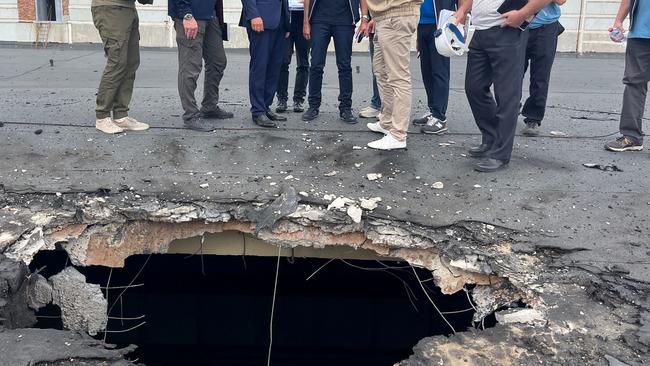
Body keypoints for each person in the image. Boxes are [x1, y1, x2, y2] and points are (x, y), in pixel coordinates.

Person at [455, 0, 552, 172]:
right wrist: (463, 10)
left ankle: (500, 154)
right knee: (474, 87)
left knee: (507, 95)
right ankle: (492, 137)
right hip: (481, 31)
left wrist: (522, 14)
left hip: (507, 30)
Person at [364, 0, 421, 150]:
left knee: (398, 77)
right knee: (381, 71)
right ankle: (387, 122)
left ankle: (398, 135)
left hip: (397, 14)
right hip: (383, 16)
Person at [169, 0, 233, 132]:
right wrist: (187, 14)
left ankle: (209, 106)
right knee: (190, 67)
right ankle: (190, 115)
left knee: (218, 61)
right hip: (191, 15)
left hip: (210, 14)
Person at [302, 0, 369, 124]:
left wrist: (365, 19)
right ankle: (313, 106)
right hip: (319, 19)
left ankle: (345, 108)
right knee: (316, 65)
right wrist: (306, 22)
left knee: (344, 66)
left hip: (345, 21)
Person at [91, 0, 151, 134]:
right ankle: (102, 116)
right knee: (117, 62)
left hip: (127, 8)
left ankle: (120, 115)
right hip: (111, 8)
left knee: (131, 62)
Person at [605, 0, 649, 152]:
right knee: (633, 83)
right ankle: (631, 136)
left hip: (640, 33)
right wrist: (618, 21)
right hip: (640, 33)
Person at [240, 0, 290, 128]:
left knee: (274, 68)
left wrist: (285, 23)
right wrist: (254, 15)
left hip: (279, 21)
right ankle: (258, 111)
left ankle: (265, 106)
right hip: (260, 19)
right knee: (260, 67)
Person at [520, 0, 566, 136]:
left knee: (541, 76)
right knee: (512, 74)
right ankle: (508, 110)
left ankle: (533, 118)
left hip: (546, 27)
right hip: (517, 25)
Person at [411, 0, 457, 135]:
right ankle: (433, 110)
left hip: (440, 25)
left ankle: (440, 117)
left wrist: (458, 18)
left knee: (439, 71)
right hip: (422, 25)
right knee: (427, 71)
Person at [275, 3, 310, 114]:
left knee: (303, 63)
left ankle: (299, 99)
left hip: (303, 15)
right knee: (283, 61)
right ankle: (281, 98)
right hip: (286, 13)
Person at [359, 27, 382, 119]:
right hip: (375, 28)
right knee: (377, 68)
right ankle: (377, 104)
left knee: (390, 69)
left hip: (388, 26)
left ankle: (389, 109)